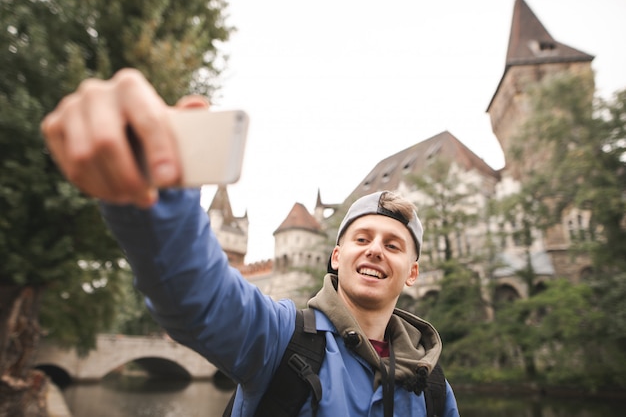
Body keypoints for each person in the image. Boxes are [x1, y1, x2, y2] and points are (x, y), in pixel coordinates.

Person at [41, 68, 460, 417]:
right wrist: (152, 196)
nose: (374, 250)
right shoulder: (280, 337)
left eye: (393, 245)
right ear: (336, 256)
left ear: (413, 272)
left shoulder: (435, 388)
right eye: (362, 238)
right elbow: (199, 299)